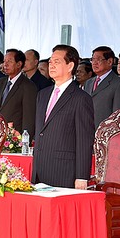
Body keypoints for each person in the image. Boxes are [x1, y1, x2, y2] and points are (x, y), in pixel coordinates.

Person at [32, 44, 95, 189]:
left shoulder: (80, 98)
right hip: (40, 169)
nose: (51, 66)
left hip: (64, 171)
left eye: (57, 62)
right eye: (50, 62)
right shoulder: (43, 94)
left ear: (70, 66)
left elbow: (84, 139)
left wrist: (82, 176)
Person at [0, 49, 37, 137]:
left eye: (9, 61)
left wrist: (24, 140)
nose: (5, 64)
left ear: (19, 64)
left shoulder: (28, 86)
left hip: (15, 138)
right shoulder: (0, 83)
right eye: (4, 61)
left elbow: (29, 117)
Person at [84, 46, 120, 126]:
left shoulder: (119, 84)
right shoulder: (88, 83)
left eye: (98, 59)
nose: (94, 63)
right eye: (93, 60)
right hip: (85, 130)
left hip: (105, 134)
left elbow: (118, 116)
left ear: (109, 62)